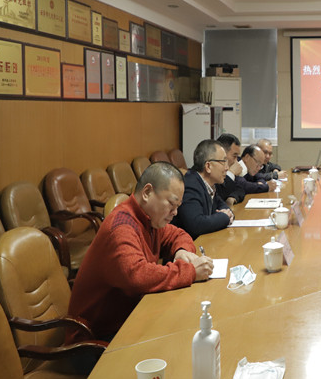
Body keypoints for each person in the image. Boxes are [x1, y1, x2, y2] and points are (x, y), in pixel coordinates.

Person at [67, 162, 214, 344]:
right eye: (171, 204)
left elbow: (178, 234)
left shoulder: (149, 218)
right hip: (96, 338)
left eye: (178, 206)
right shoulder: (121, 226)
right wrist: (190, 272)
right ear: (147, 193)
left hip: (130, 316)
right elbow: (137, 276)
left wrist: (181, 251)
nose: (175, 212)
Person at [172, 139, 235, 238]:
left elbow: (224, 207)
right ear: (208, 166)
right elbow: (196, 224)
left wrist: (227, 214)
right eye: (223, 162)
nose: (227, 168)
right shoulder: (190, 186)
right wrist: (225, 217)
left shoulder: (209, 184)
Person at [215, 134, 245, 206]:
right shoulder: (212, 172)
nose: (236, 161)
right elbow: (220, 194)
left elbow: (240, 189)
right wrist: (231, 173)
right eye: (234, 156)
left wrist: (233, 197)